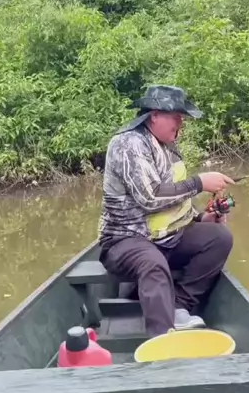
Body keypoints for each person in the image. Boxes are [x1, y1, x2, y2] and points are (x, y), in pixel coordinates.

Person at [98, 85, 235, 337]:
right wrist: (199, 183)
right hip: (125, 240)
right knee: (152, 262)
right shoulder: (128, 144)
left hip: (166, 238)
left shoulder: (168, 146)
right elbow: (150, 197)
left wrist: (204, 217)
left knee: (219, 238)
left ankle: (178, 305)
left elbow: (176, 202)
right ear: (154, 115)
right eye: (176, 117)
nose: (181, 124)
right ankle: (162, 336)